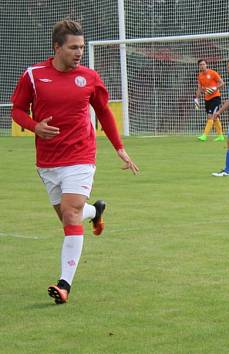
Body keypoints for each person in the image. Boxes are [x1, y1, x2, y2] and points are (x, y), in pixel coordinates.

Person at [11, 19, 139, 304]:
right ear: (57, 47)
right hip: (47, 160)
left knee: (70, 214)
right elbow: (18, 110)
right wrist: (35, 127)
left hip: (81, 155)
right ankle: (95, 211)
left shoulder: (89, 77)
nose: (79, 52)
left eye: (81, 47)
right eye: (73, 47)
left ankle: (64, 285)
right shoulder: (33, 75)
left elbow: (104, 112)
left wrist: (119, 147)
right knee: (70, 217)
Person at [195, 59, 225, 142]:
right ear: (199, 66)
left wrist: (215, 88)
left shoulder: (213, 73)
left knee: (210, 116)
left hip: (215, 97)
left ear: (206, 65)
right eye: (200, 64)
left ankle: (204, 136)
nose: (202, 66)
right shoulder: (200, 76)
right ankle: (220, 136)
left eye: (203, 64)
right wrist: (196, 99)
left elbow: (222, 83)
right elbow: (199, 88)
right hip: (207, 98)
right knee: (215, 117)